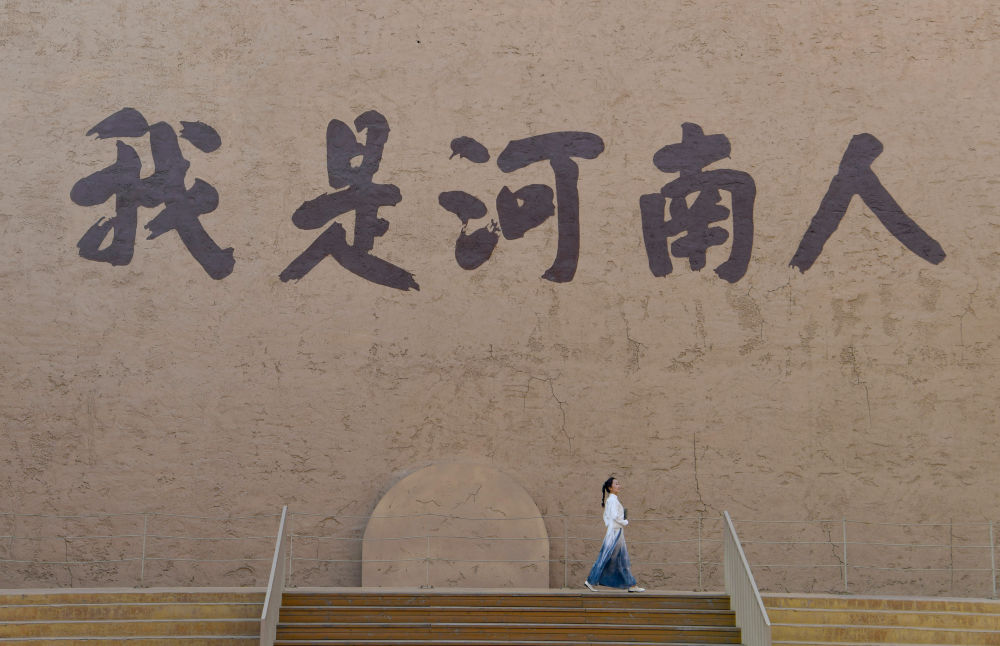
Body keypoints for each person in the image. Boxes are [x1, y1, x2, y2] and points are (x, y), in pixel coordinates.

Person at [584, 477, 644, 592]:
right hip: (615, 533)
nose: (619, 486)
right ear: (610, 487)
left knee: (621, 558)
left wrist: (614, 525)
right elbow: (614, 516)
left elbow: (607, 517)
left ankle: (631, 585)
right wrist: (624, 522)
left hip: (616, 531)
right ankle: (591, 580)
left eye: (618, 484)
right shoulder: (612, 500)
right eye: (616, 484)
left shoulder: (612, 500)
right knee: (607, 556)